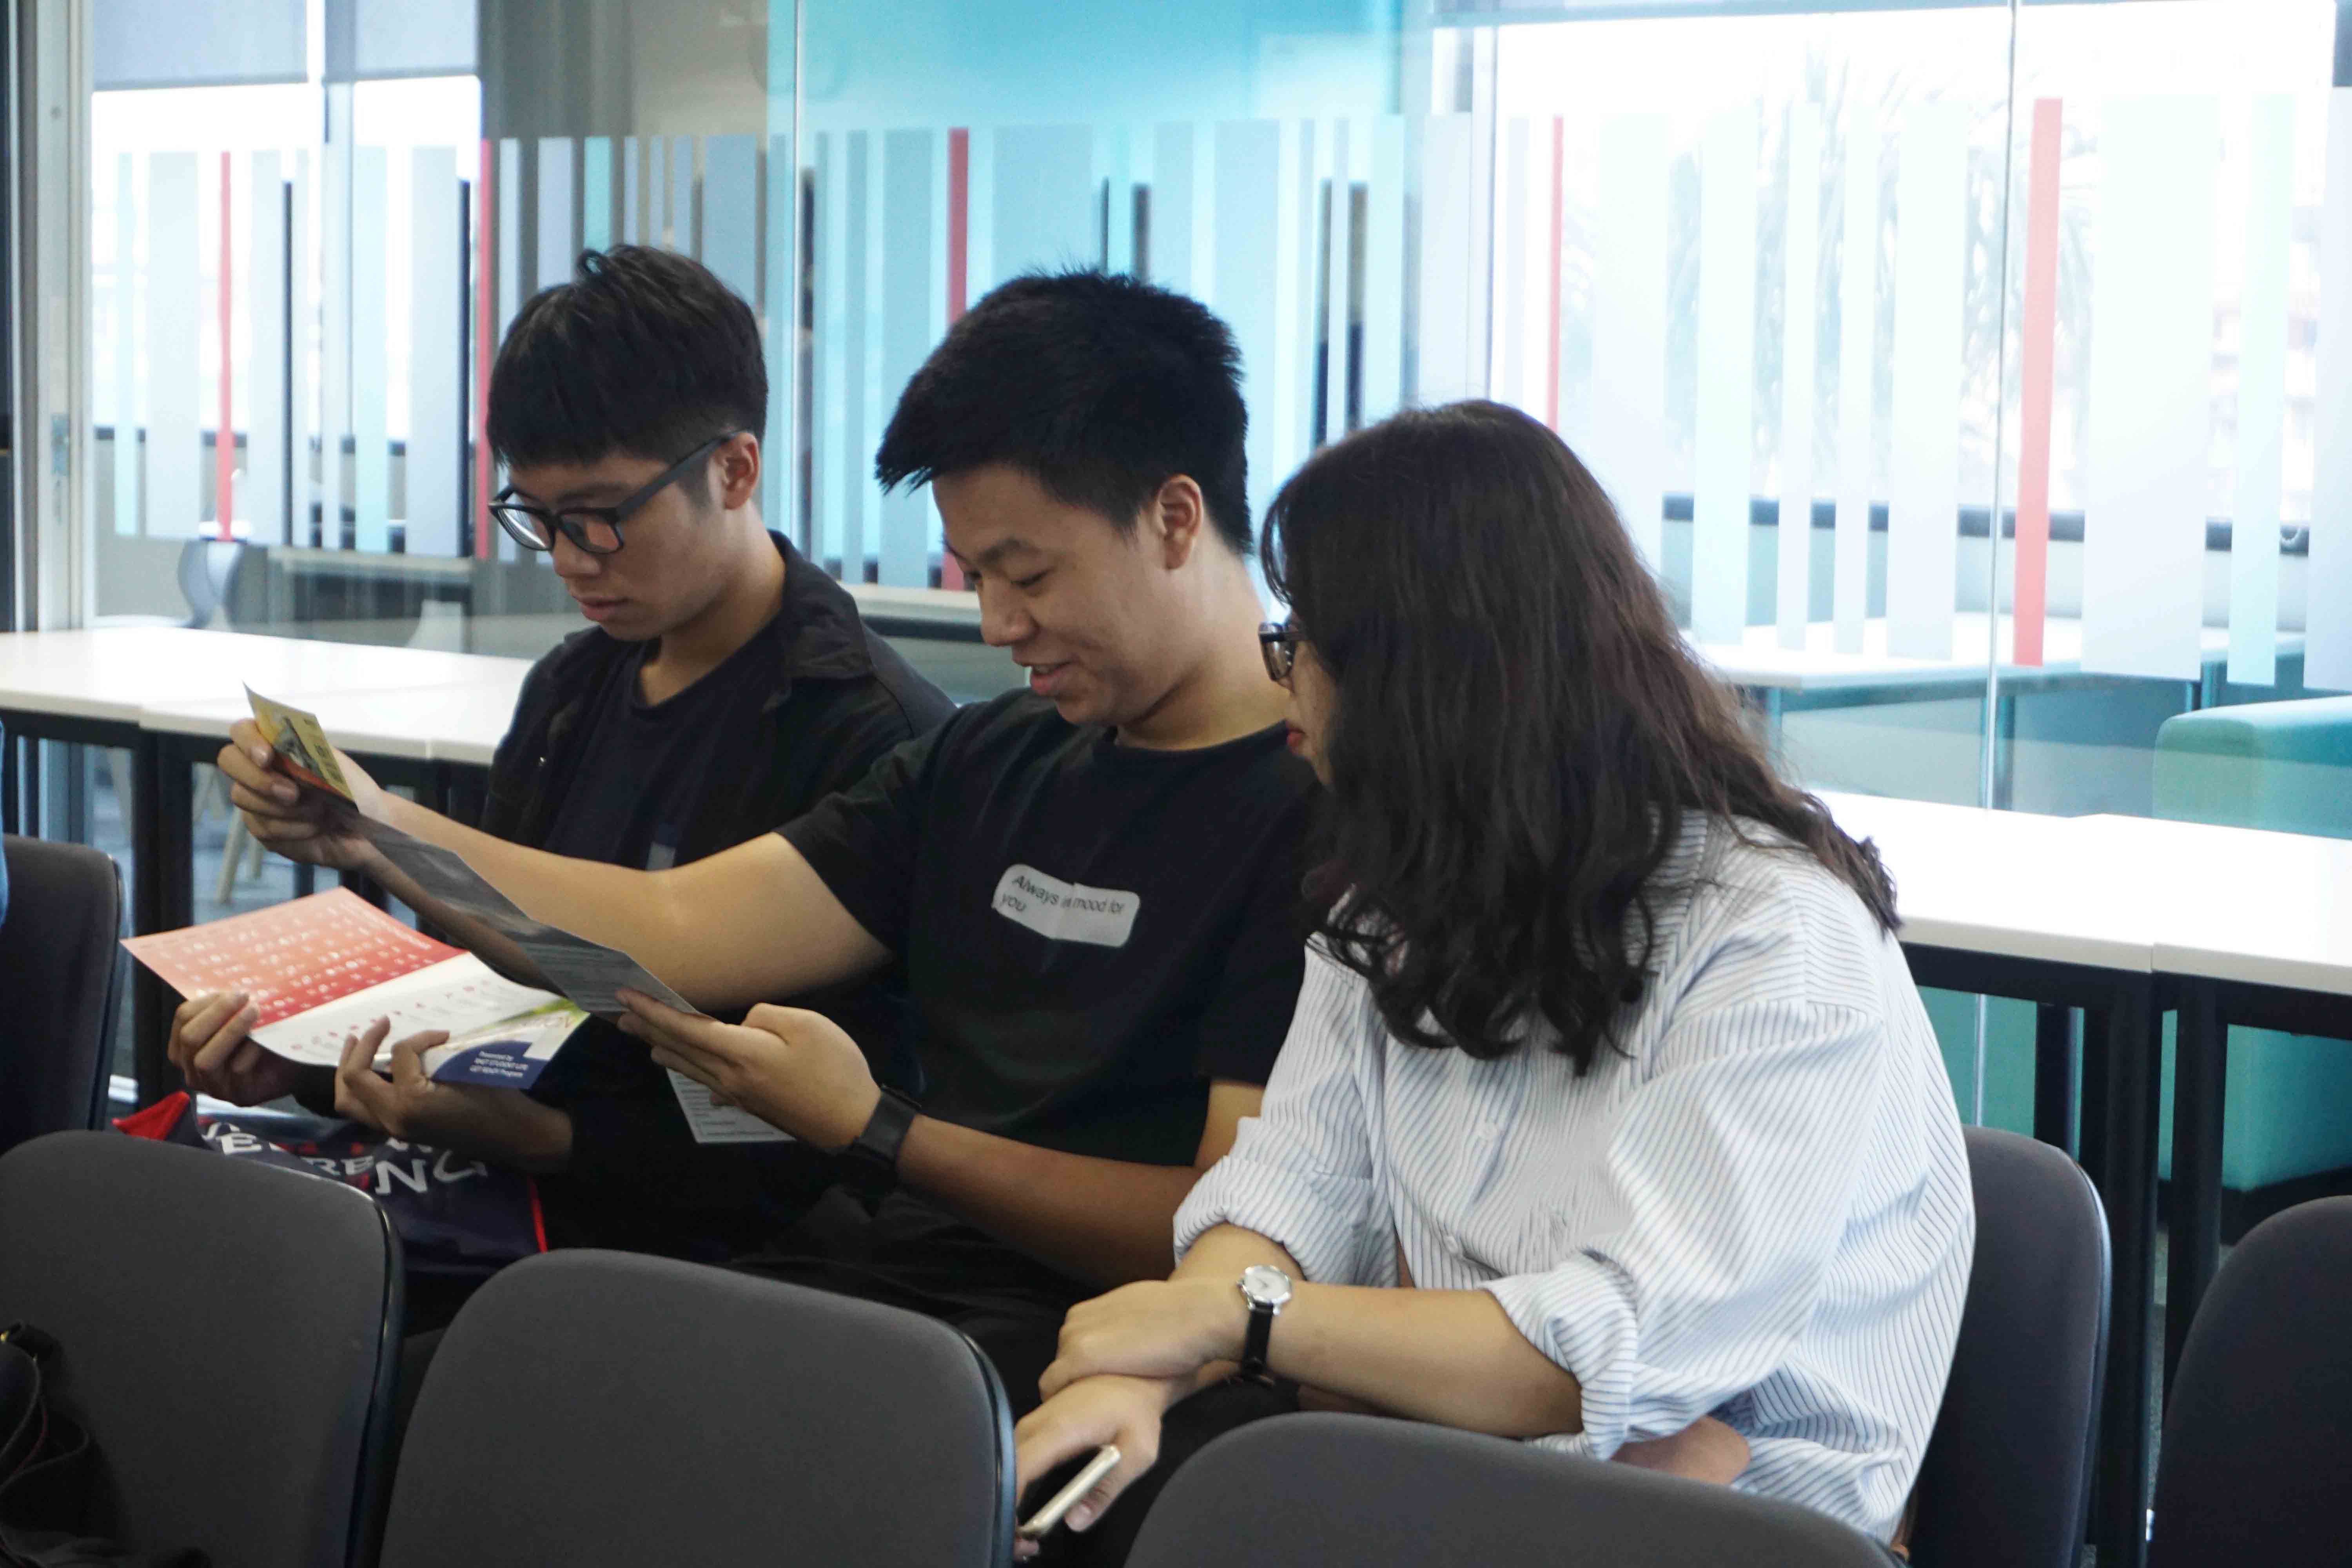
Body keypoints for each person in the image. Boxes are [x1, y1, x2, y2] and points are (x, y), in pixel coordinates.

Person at [213, 270, 1319, 1407]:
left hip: (1064, 1356)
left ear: (1174, 518)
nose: (999, 625)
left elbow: (1221, 1230)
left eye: (1028, 574)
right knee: (432, 1390)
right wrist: (374, 825)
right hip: (866, 1290)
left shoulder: (1315, 814)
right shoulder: (990, 759)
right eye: (976, 578)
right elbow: (680, 927)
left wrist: (879, 1129)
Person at [1009, 401, 1973, 1561]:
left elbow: (1607, 1353)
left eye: (1301, 646)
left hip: (1735, 1536)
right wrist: (1158, 1374)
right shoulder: (1395, 901)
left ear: (1425, 682)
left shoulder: (1772, 940)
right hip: (1475, 1480)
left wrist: (1258, 1327)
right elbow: (1291, 1199)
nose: (1283, 689)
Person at [168, 245, 953, 1271]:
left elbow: (817, 1138)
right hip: (507, 1198)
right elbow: (518, 977)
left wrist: (536, 1139)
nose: (573, 558)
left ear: (735, 469)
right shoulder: (575, 690)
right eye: (539, 518)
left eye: (603, 517)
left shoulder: (870, 736)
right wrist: (315, 1059)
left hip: (721, 1270)